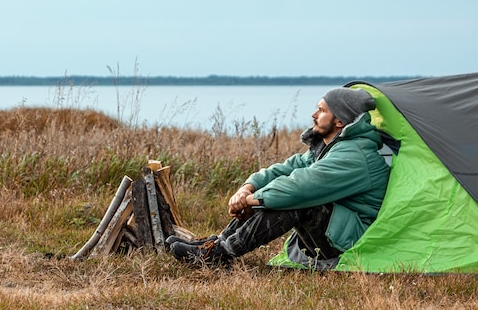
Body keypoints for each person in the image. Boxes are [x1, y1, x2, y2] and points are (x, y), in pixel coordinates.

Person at [167, 87, 391, 268]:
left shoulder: (355, 155)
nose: (313, 114)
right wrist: (247, 188)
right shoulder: (332, 146)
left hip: (353, 242)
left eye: (322, 111)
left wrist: (253, 200)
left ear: (340, 122)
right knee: (276, 193)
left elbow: (300, 187)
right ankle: (216, 245)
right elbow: (286, 168)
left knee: (290, 198)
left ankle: (220, 254)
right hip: (338, 230)